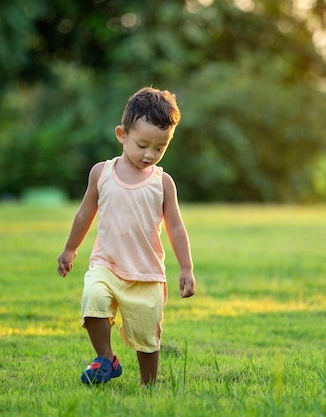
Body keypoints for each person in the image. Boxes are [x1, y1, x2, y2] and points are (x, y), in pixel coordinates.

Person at [57, 87, 196, 386]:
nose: (150, 154)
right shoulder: (101, 173)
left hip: (146, 273)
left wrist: (186, 268)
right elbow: (84, 214)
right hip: (106, 264)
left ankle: (148, 385)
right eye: (143, 144)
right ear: (122, 134)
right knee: (93, 302)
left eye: (160, 148)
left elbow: (175, 227)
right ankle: (106, 358)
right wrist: (70, 249)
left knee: (147, 338)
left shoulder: (163, 183)